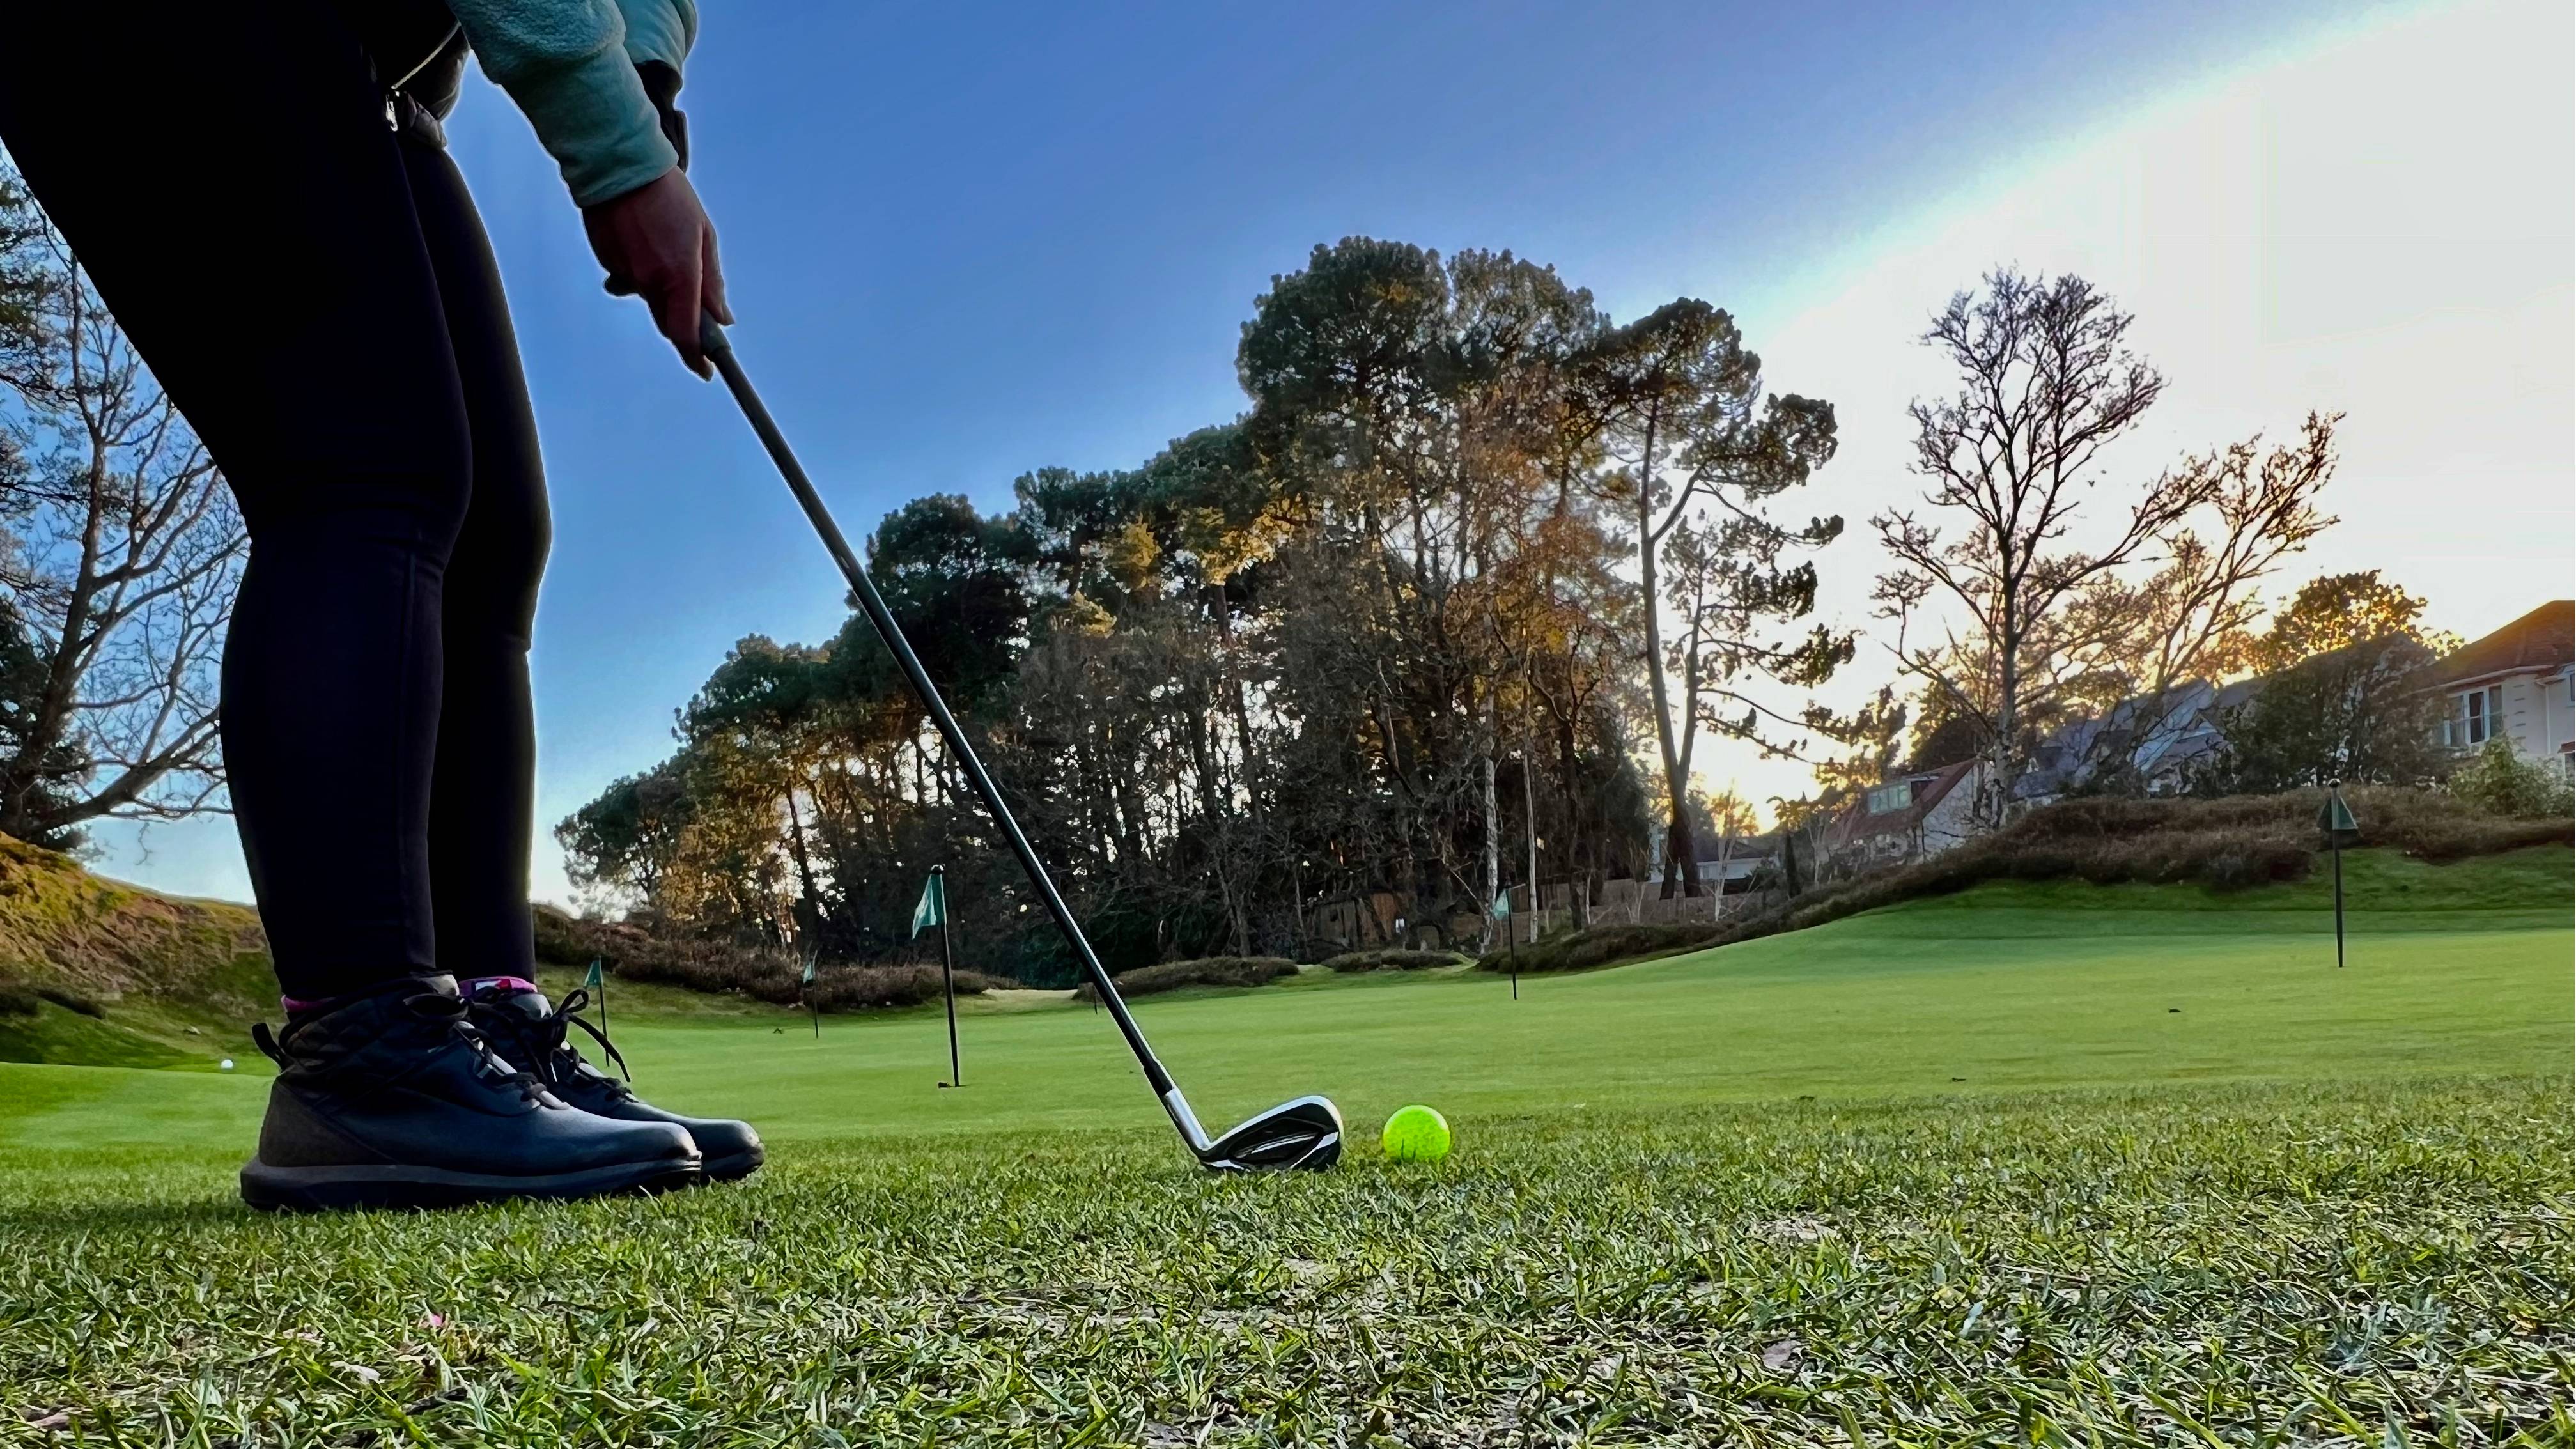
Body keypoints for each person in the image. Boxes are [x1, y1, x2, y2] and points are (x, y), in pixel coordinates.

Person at [0, 0, 762, 1209]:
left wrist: (649, 103)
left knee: (493, 538)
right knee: (367, 468)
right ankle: (362, 1051)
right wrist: (620, 162)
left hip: (366, 67)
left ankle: (487, 1023)